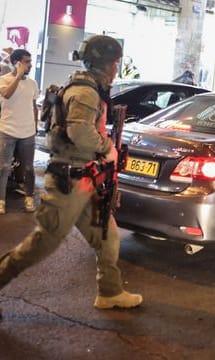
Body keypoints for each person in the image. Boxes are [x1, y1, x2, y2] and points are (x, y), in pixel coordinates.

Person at [0, 35, 143, 319]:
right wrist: (108, 148)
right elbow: (79, 132)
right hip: (69, 182)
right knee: (44, 243)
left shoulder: (89, 87)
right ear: (106, 64)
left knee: (107, 236)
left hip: (84, 178)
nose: (117, 68)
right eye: (115, 63)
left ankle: (110, 292)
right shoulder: (87, 92)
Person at [0, 48, 40, 214]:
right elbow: (7, 95)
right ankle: (1, 201)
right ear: (16, 63)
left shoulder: (32, 84)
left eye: (30, 62)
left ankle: (29, 198)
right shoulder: (3, 80)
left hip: (27, 132)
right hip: (7, 130)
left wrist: (35, 125)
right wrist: (18, 75)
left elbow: (33, 106)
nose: (29, 65)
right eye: (26, 62)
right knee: (3, 167)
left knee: (29, 168)